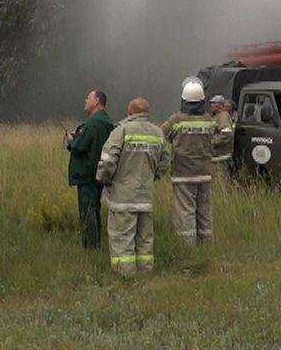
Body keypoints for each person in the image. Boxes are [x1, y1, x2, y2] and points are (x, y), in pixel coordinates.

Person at [97, 97, 169, 276]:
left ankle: (125, 275)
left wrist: (104, 179)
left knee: (122, 237)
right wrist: (152, 177)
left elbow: (108, 162)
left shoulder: (120, 131)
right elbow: (165, 162)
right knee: (145, 238)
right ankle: (145, 273)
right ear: (147, 113)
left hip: (123, 196)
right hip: (146, 196)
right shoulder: (158, 133)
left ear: (129, 112)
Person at [163, 78, 217, 245]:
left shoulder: (177, 120)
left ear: (184, 100)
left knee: (185, 211)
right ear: (202, 101)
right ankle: (206, 244)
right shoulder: (208, 119)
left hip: (183, 173)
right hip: (205, 172)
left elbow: (164, 135)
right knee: (204, 210)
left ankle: (187, 245)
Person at [65, 89, 115, 249]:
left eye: (89, 98)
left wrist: (71, 141)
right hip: (101, 172)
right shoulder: (108, 122)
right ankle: (96, 244)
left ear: (97, 101)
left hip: (87, 173)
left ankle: (90, 246)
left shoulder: (93, 122)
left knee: (87, 211)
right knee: (95, 209)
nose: (86, 101)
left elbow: (79, 147)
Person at [208, 95, 236, 180]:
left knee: (220, 181)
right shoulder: (217, 116)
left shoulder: (222, 116)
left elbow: (226, 135)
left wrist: (212, 142)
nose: (211, 105)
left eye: (213, 103)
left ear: (219, 105)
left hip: (221, 157)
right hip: (217, 157)